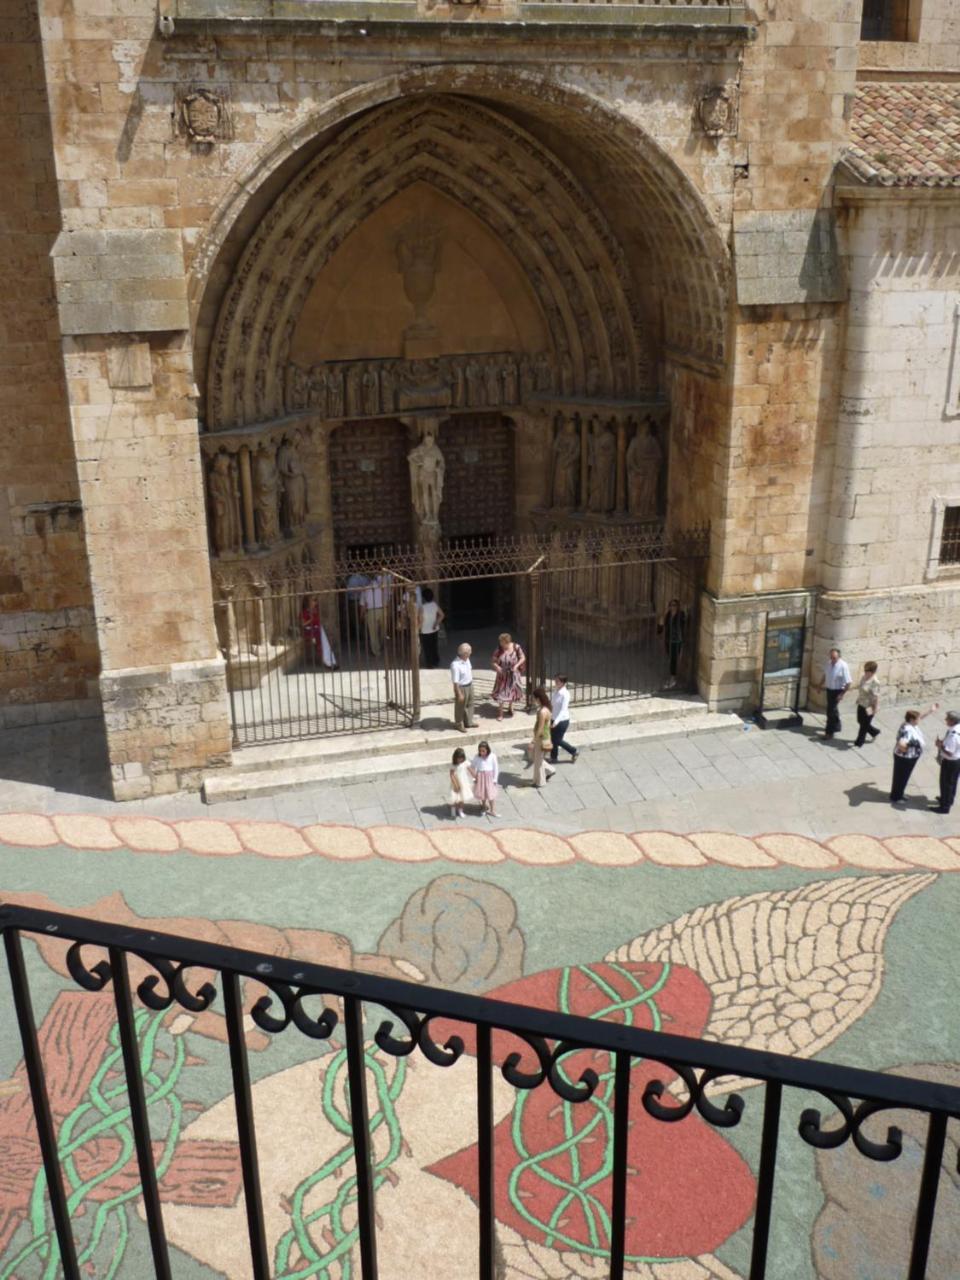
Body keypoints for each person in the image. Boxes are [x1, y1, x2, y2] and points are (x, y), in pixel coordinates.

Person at [890, 704, 938, 805]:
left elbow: (920, 717)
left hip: (910, 757)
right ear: (912, 719)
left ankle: (900, 793)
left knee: (904, 776)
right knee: (901, 777)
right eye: (917, 719)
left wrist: (930, 710)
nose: (919, 720)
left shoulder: (909, 724)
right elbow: (901, 744)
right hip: (905, 758)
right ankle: (896, 797)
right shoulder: (907, 730)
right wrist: (909, 746)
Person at [815, 647, 852, 739]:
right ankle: (837, 726)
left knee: (830, 712)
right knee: (833, 709)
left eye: (834, 658)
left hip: (837, 690)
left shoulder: (843, 666)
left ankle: (829, 732)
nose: (832, 659)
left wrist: (841, 694)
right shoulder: (828, 663)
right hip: (829, 690)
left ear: (839, 657)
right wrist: (819, 685)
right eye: (831, 657)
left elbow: (848, 682)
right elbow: (825, 675)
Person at [491, 633, 526, 720]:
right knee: (501, 693)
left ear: (508, 642)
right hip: (502, 675)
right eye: (500, 642)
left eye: (503, 643)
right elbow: (493, 661)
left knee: (512, 692)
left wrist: (516, 666)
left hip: (513, 674)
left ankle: (511, 707)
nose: (501, 644)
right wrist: (497, 667)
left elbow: (523, 657)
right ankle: (500, 713)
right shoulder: (499, 649)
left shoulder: (516, 647)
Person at [933, 710, 960, 814]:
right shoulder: (957, 728)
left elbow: (949, 752)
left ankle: (944, 807)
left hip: (951, 762)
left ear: (952, 721)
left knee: (946, 783)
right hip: (956, 761)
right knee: (952, 782)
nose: (945, 720)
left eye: (947, 719)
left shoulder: (953, 735)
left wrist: (939, 745)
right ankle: (948, 799)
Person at [550, 673, 579, 765]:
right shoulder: (556, 691)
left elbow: (563, 710)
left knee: (557, 740)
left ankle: (574, 751)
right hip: (553, 718)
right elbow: (552, 704)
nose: (555, 682)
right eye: (555, 680)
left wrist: (556, 722)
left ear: (563, 683)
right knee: (553, 740)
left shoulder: (565, 694)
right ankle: (554, 757)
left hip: (562, 721)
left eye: (557, 681)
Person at [300, 596, 337, 669]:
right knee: (322, 644)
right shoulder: (304, 612)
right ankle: (328, 662)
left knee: (325, 644)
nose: (315, 602)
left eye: (315, 600)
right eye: (314, 600)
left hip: (318, 629)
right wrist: (310, 620)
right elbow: (303, 624)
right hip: (311, 630)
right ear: (309, 602)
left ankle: (332, 661)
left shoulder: (315, 610)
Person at [530, 687, 556, 788]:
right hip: (545, 736)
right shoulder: (547, 708)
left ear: (538, 698)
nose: (533, 700)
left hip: (541, 738)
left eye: (534, 698)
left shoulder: (542, 712)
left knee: (538, 761)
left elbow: (540, 728)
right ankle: (550, 770)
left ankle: (540, 782)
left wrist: (533, 742)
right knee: (536, 758)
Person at [658, 599, 687, 689]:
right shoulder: (668, 615)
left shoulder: (680, 614)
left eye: (674, 605)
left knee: (673, 659)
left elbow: (684, 622)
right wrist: (661, 620)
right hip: (668, 640)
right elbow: (661, 627)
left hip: (677, 640)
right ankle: (673, 676)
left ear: (677, 606)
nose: (672, 607)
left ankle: (673, 679)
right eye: (671, 605)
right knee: (671, 658)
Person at [853, 661, 881, 748]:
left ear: (872, 671)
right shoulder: (864, 677)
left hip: (869, 706)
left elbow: (876, 696)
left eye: (867, 670)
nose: (865, 672)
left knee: (864, 726)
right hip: (861, 703)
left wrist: (875, 708)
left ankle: (859, 742)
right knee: (860, 721)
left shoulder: (875, 682)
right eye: (865, 670)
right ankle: (875, 732)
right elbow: (861, 689)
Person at [359, 574, 388, 656]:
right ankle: (383, 647)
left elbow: (363, 604)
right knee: (383, 630)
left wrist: (361, 615)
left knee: (373, 633)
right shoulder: (382, 588)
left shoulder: (366, 589)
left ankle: (376, 651)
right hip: (383, 609)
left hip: (371, 611)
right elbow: (387, 600)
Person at [469, 740, 499, 818]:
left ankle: (492, 810)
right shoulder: (477, 757)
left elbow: (496, 768)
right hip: (480, 777)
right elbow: (472, 767)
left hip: (489, 777)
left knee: (491, 794)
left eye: (483, 751)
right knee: (482, 793)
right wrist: (474, 777)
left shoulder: (492, 756)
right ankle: (483, 806)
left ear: (487, 750)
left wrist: (495, 779)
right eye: (480, 751)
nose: (482, 753)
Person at [418, 587, 444, 669]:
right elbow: (442, 615)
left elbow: (421, 620)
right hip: (434, 630)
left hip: (425, 631)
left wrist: (418, 629)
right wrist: (435, 624)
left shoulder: (422, 607)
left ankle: (429, 664)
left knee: (427, 648)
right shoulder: (434, 605)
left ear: (423, 598)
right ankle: (436, 661)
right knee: (434, 646)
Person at [451, 643, 474, 731]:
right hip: (462, 687)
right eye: (469, 652)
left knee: (470, 704)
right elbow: (455, 682)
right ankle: (458, 724)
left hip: (469, 684)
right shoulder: (455, 665)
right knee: (460, 707)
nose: (470, 653)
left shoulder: (467, 659)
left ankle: (469, 722)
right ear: (464, 653)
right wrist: (459, 693)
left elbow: (469, 670)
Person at [447, 746, 471, 820]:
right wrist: (455, 784)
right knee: (454, 798)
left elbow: (470, 769)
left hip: (464, 783)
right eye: (458, 758)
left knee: (462, 798)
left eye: (461, 758)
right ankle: (453, 811)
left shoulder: (465, 763)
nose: (460, 760)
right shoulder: (453, 765)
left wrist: (475, 776)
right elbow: (451, 774)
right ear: (455, 757)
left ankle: (460, 811)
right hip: (456, 783)